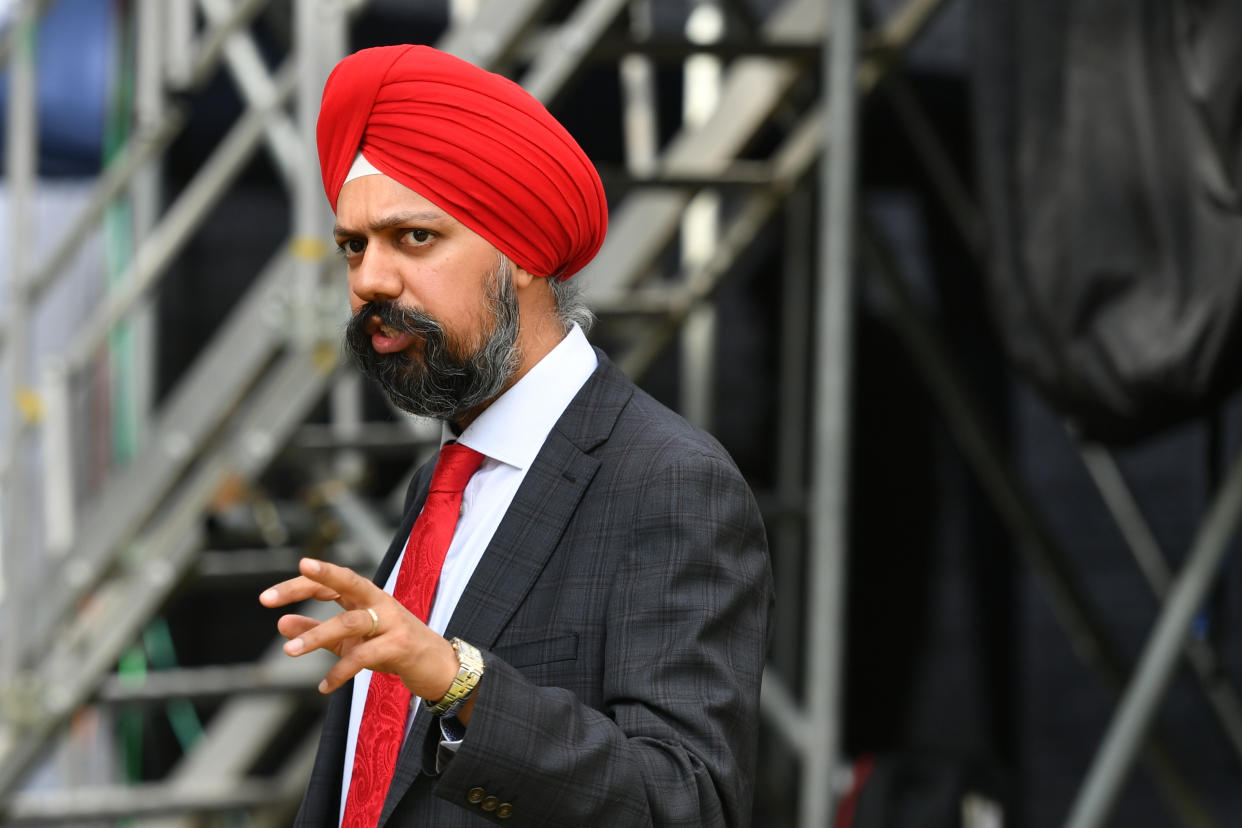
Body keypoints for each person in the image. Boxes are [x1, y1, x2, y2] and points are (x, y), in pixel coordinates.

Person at [259, 43, 772, 827]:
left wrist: (460, 681)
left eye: (414, 238)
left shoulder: (666, 479)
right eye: (354, 246)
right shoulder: (444, 480)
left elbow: (687, 803)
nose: (369, 280)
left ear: (525, 252)